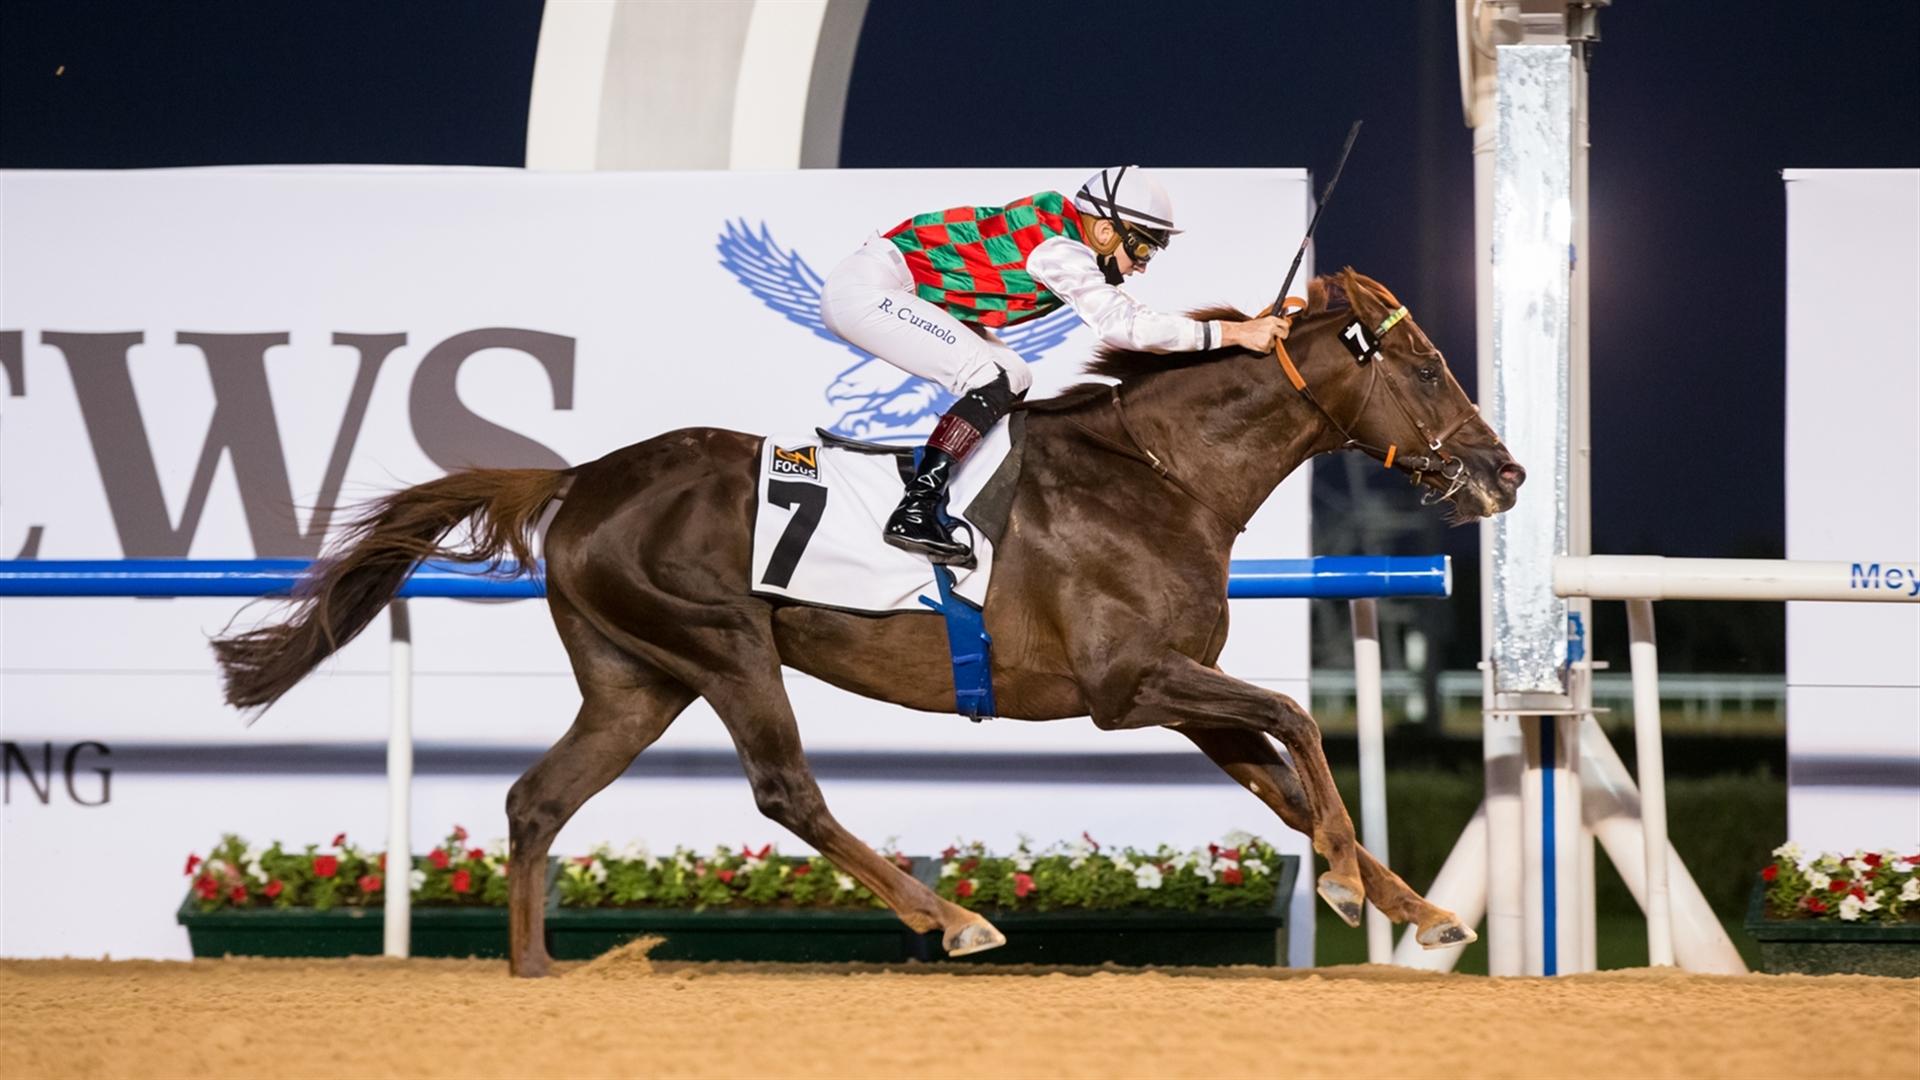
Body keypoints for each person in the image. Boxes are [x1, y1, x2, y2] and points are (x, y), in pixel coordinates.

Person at [819, 166, 1289, 564]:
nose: (1142, 266)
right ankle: (916, 509)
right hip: (871, 291)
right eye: (1143, 248)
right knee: (994, 376)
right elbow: (1128, 329)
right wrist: (1236, 332)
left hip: (896, 287)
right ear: (1105, 231)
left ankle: (953, 497)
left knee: (1015, 375)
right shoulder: (1060, 248)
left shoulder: (1060, 235)